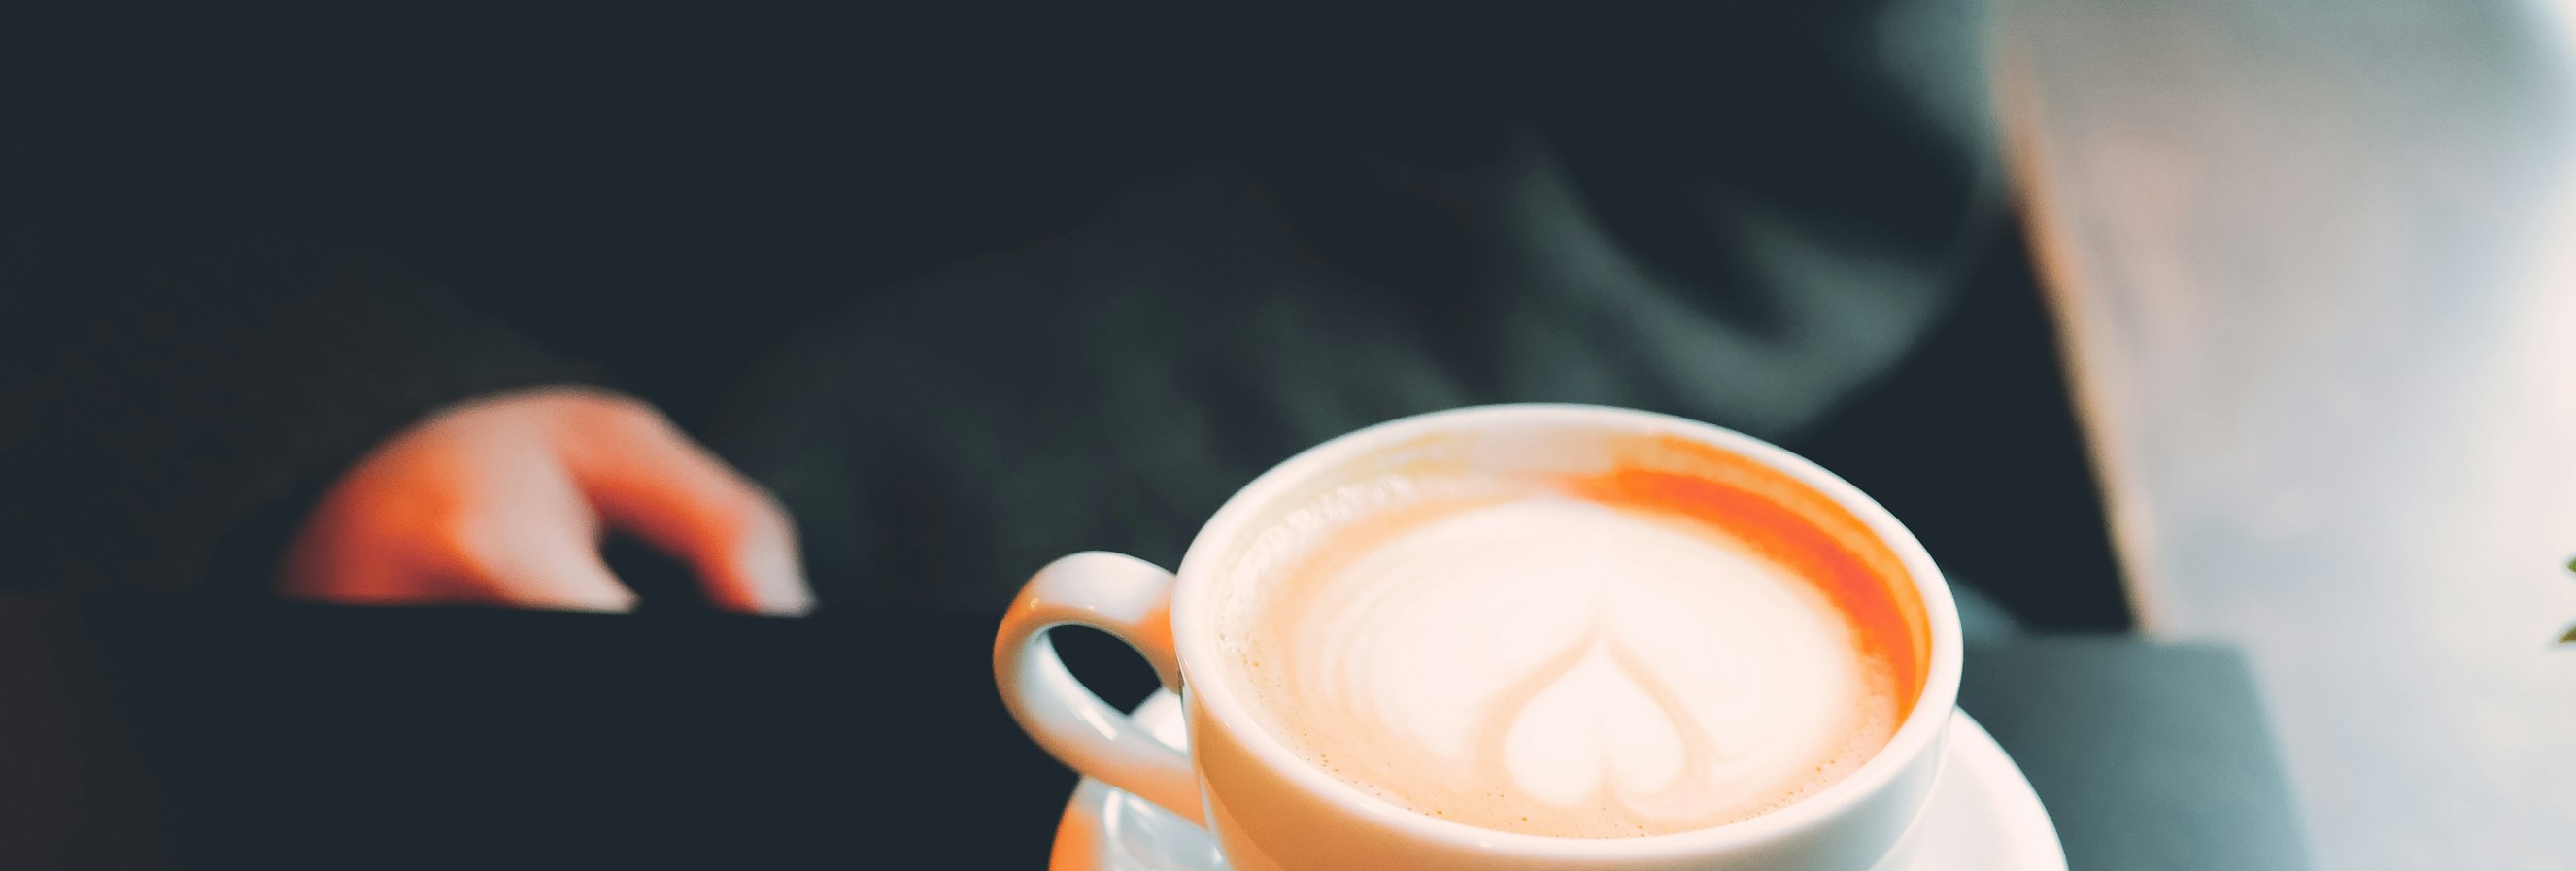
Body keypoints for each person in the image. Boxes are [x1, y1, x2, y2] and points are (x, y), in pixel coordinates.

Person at [0, 5, 1995, 615]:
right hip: (300, 574)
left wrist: (837, 501)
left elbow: (1749, 153)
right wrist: (301, 397)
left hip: (1313, 448)